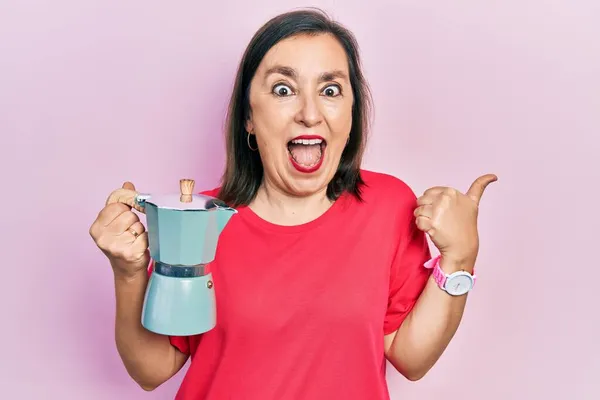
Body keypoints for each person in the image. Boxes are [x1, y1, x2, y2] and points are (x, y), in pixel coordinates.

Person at [89, 8, 497, 400]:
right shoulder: (202, 220)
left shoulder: (389, 207)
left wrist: (459, 258)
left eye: (330, 89)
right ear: (249, 116)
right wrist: (127, 274)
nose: (309, 113)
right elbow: (151, 369)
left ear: (351, 109)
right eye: (283, 89)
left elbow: (412, 357)